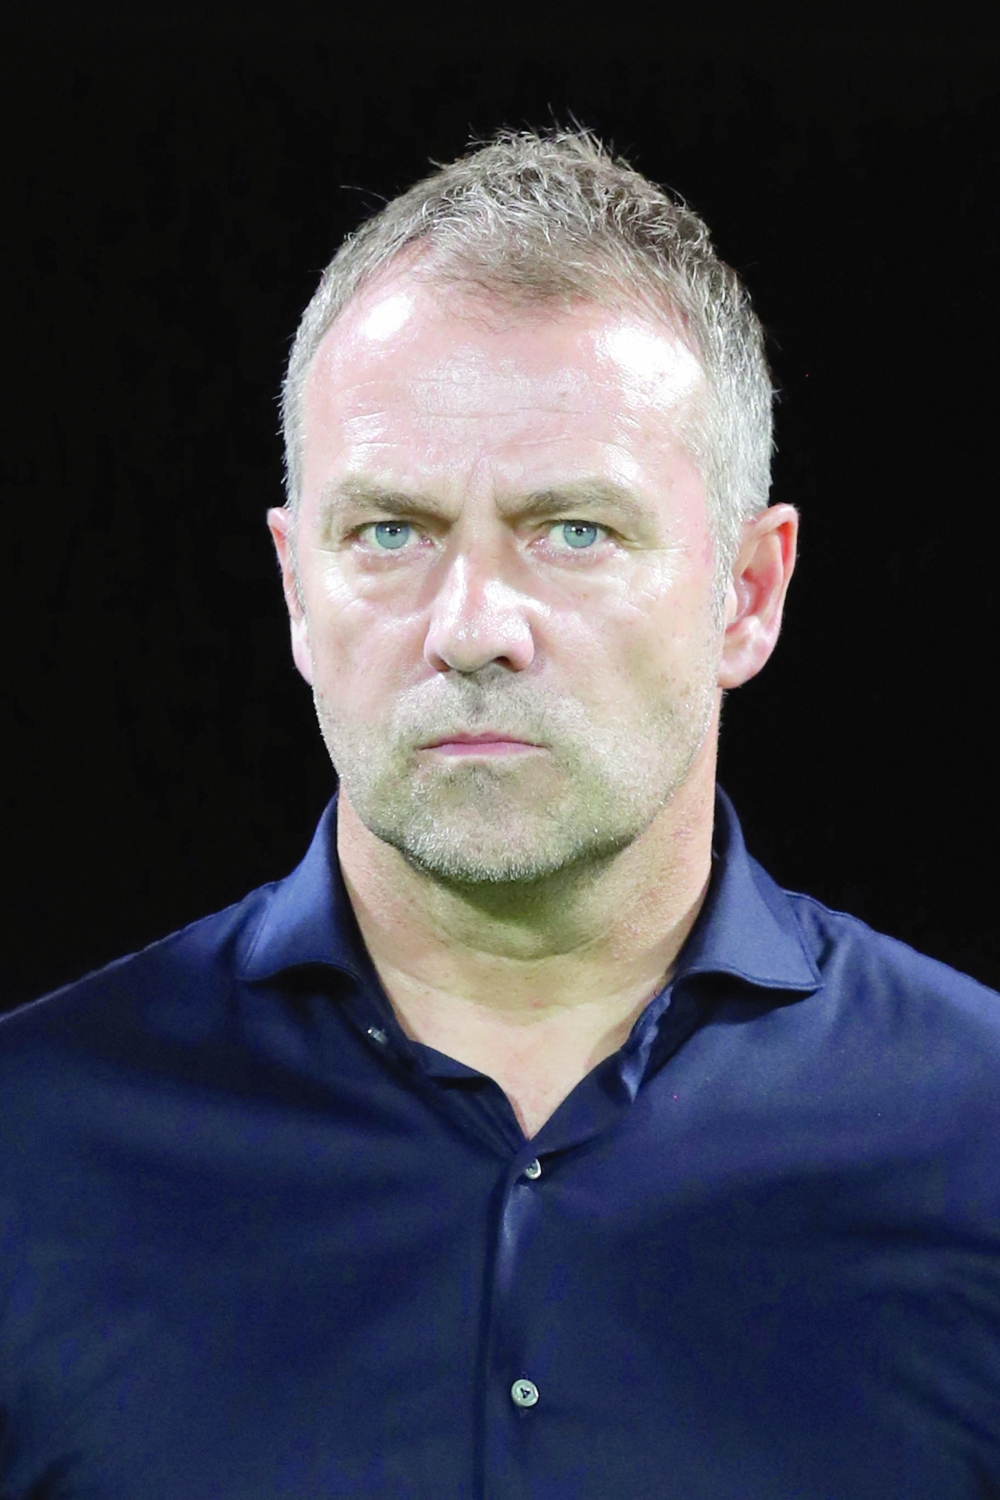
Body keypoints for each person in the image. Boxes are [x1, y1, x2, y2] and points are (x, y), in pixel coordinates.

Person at [2, 128, 998, 1500]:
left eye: (573, 530)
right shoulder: (32, 1147)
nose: (473, 626)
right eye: (392, 532)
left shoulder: (977, 1139)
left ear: (750, 594)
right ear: (298, 588)